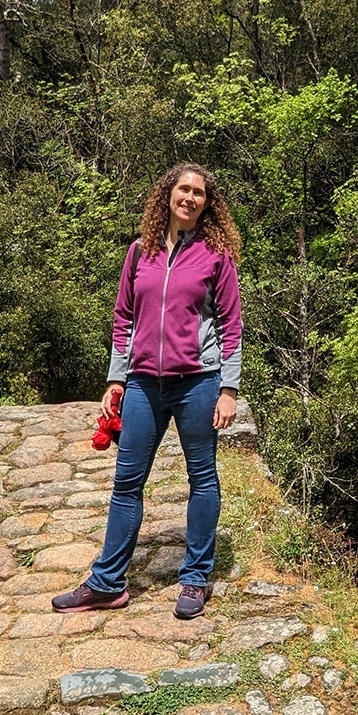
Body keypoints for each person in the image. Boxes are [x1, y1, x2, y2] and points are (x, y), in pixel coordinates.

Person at [52, 162, 243, 620]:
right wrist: (116, 378)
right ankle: (107, 583)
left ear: (207, 205)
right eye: (184, 189)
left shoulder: (216, 257)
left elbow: (232, 326)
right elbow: (123, 319)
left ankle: (195, 579)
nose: (190, 198)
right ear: (168, 195)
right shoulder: (141, 252)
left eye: (199, 193)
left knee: (203, 479)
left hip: (198, 382)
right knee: (126, 483)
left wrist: (229, 388)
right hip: (141, 384)